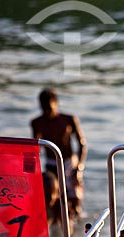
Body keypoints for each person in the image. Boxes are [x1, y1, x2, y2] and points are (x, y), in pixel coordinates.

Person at [31, 88, 87, 222]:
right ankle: (57, 226)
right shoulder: (37, 123)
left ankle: (75, 232)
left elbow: (82, 145)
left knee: (74, 202)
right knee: (53, 201)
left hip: (69, 163)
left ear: (55, 103)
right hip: (51, 164)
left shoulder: (68, 120)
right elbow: (34, 150)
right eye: (44, 109)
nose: (47, 112)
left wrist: (79, 167)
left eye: (49, 108)